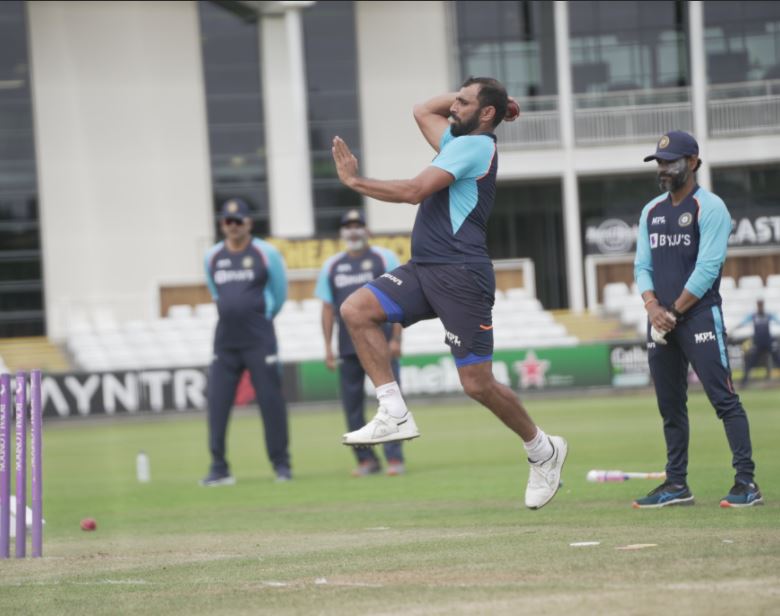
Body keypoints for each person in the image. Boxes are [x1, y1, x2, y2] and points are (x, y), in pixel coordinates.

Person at [331, 76, 567, 510]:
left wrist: (355, 181)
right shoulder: (458, 140)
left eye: (463, 102)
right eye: (455, 99)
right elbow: (423, 109)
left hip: (462, 274)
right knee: (356, 309)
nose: (452, 107)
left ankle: (543, 450)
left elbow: (412, 192)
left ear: (487, 114)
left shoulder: (475, 147)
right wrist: (487, 98)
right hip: (426, 269)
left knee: (476, 384)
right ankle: (393, 411)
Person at [633, 130, 763, 508]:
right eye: (659, 162)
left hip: (699, 317)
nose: (663, 169)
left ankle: (747, 482)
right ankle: (676, 484)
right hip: (660, 319)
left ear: (692, 162)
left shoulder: (711, 208)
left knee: (724, 400)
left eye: (670, 161)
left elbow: (707, 269)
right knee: (670, 405)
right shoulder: (651, 211)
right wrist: (652, 307)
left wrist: (672, 311)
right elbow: (642, 265)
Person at [200, 198, 292, 485]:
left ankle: (281, 465)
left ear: (249, 223)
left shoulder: (266, 254)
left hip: (259, 340)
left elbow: (278, 294)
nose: (233, 226)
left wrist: (261, 318)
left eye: (239, 220)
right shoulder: (212, 256)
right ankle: (219, 467)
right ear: (222, 225)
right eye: (228, 221)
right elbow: (217, 293)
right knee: (217, 403)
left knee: (270, 402)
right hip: (225, 341)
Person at [315, 209, 406, 477]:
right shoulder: (332, 266)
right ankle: (366, 460)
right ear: (343, 233)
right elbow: (327, 308)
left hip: (382, 345)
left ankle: (394, 458)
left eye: (358, 225)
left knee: (390, 403)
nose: (353, 230)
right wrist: (327, 347)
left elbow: (399, 299)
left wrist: (397, 338)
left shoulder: (383, 258)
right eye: (348, 226)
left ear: (366, 230)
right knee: (352, 407)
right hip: (347, 347)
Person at [738, 299, 780, 386]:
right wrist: (735, 328)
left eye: (761, 305)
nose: (760, 306)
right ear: (757, 306)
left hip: (768, 341)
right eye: (759, 305)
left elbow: (777, 320)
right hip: (758, 342)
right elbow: (743, 322)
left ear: (763, 305)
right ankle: (744, 382)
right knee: (751, 361)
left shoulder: (768, 315)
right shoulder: (753, 316)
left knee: (777, 360)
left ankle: (744, 381)